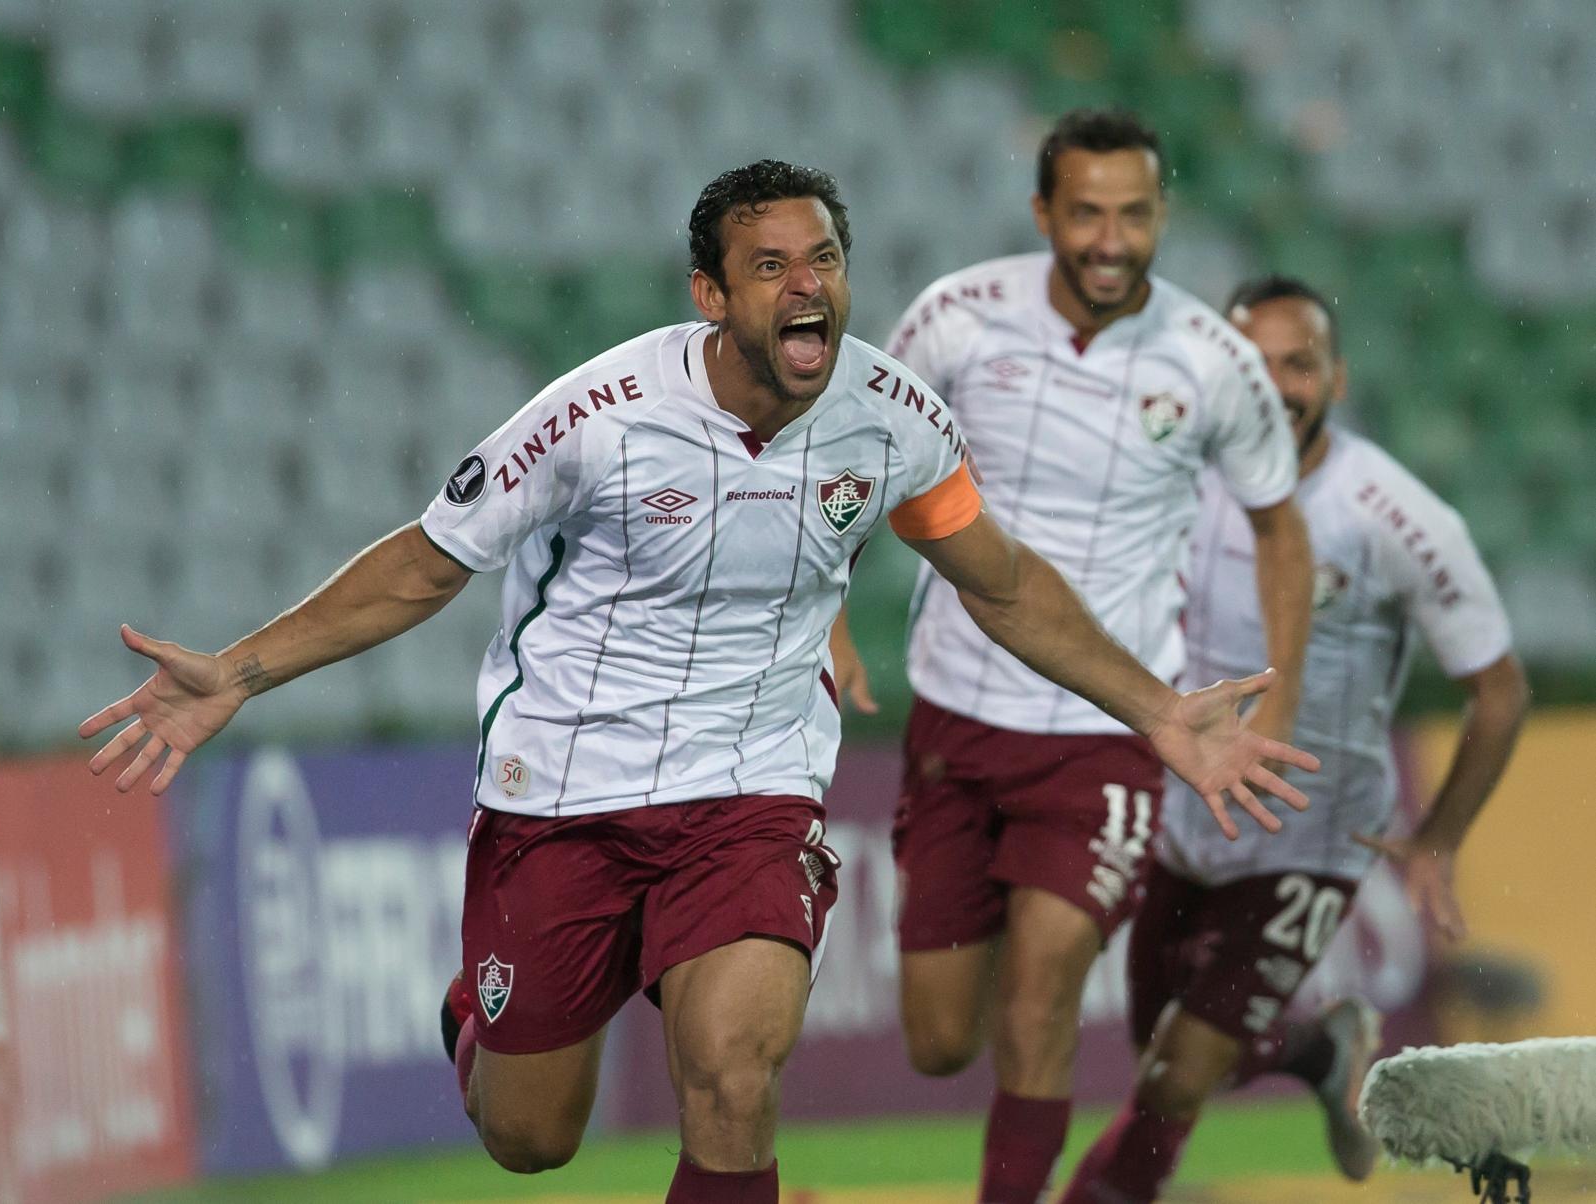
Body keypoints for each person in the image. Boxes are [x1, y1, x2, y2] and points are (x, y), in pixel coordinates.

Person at [79, 161, 1316, 1204]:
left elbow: (998, 580)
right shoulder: (598, 415)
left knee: (732, 1070)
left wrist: (1155, 709)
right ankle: (481, 1019)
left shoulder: (891, 420)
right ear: (710, 295)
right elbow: (422, 564)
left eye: (821, 259)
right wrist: (238, 670)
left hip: (750, 793)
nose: (805, 286)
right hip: (562, 790)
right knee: (529, 1137)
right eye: (769, 266)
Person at [870, 109, 1316, 1201]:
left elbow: (1279, 530)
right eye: (1085, 213)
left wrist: (1280, 706)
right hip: (956, 713)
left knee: (1040, 994)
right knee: (936, 1038)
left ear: (1160, 215)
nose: (1110, 239)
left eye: (1132, 214)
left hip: (1109, 732)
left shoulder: (1212, 363)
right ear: (1042, 214)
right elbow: (845, 467)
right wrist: (828, 623)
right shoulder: (955, 319)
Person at [1058, 275, 1529, 1203]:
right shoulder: (1176, 477)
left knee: (1172, 1082)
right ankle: (1318, 1047)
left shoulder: (1396, 516)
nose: (1276, 387)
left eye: (1299, 364)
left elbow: (1500, 692)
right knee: (1163, 1051)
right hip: (1190, 816)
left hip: (1309, 840)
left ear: (1337, 380)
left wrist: (1438, 836)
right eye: (1253, 364)